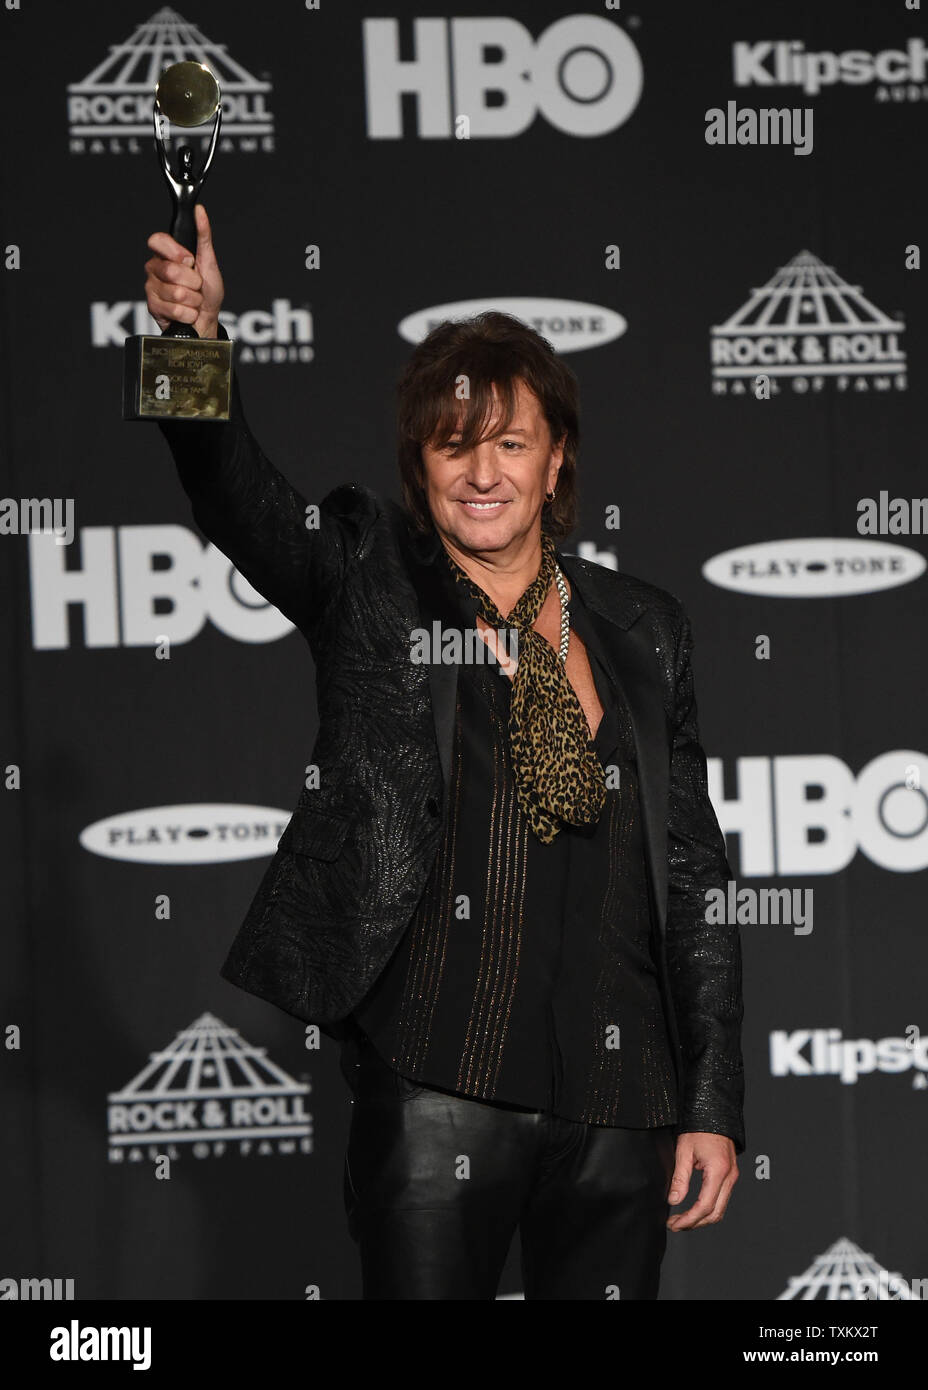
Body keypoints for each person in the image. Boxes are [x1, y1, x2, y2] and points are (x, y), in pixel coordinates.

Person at [144, 203, 744, 1301]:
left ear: (556, 460)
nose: (482, 472)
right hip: (436, 1085)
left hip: (622, 1101)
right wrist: (191, 350)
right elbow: (227, 489)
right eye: (453, 445)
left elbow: (695, 875)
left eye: (511, 443)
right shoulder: (370, 579)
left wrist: (708, 1102)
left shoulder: (645, 629)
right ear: (418, 466)